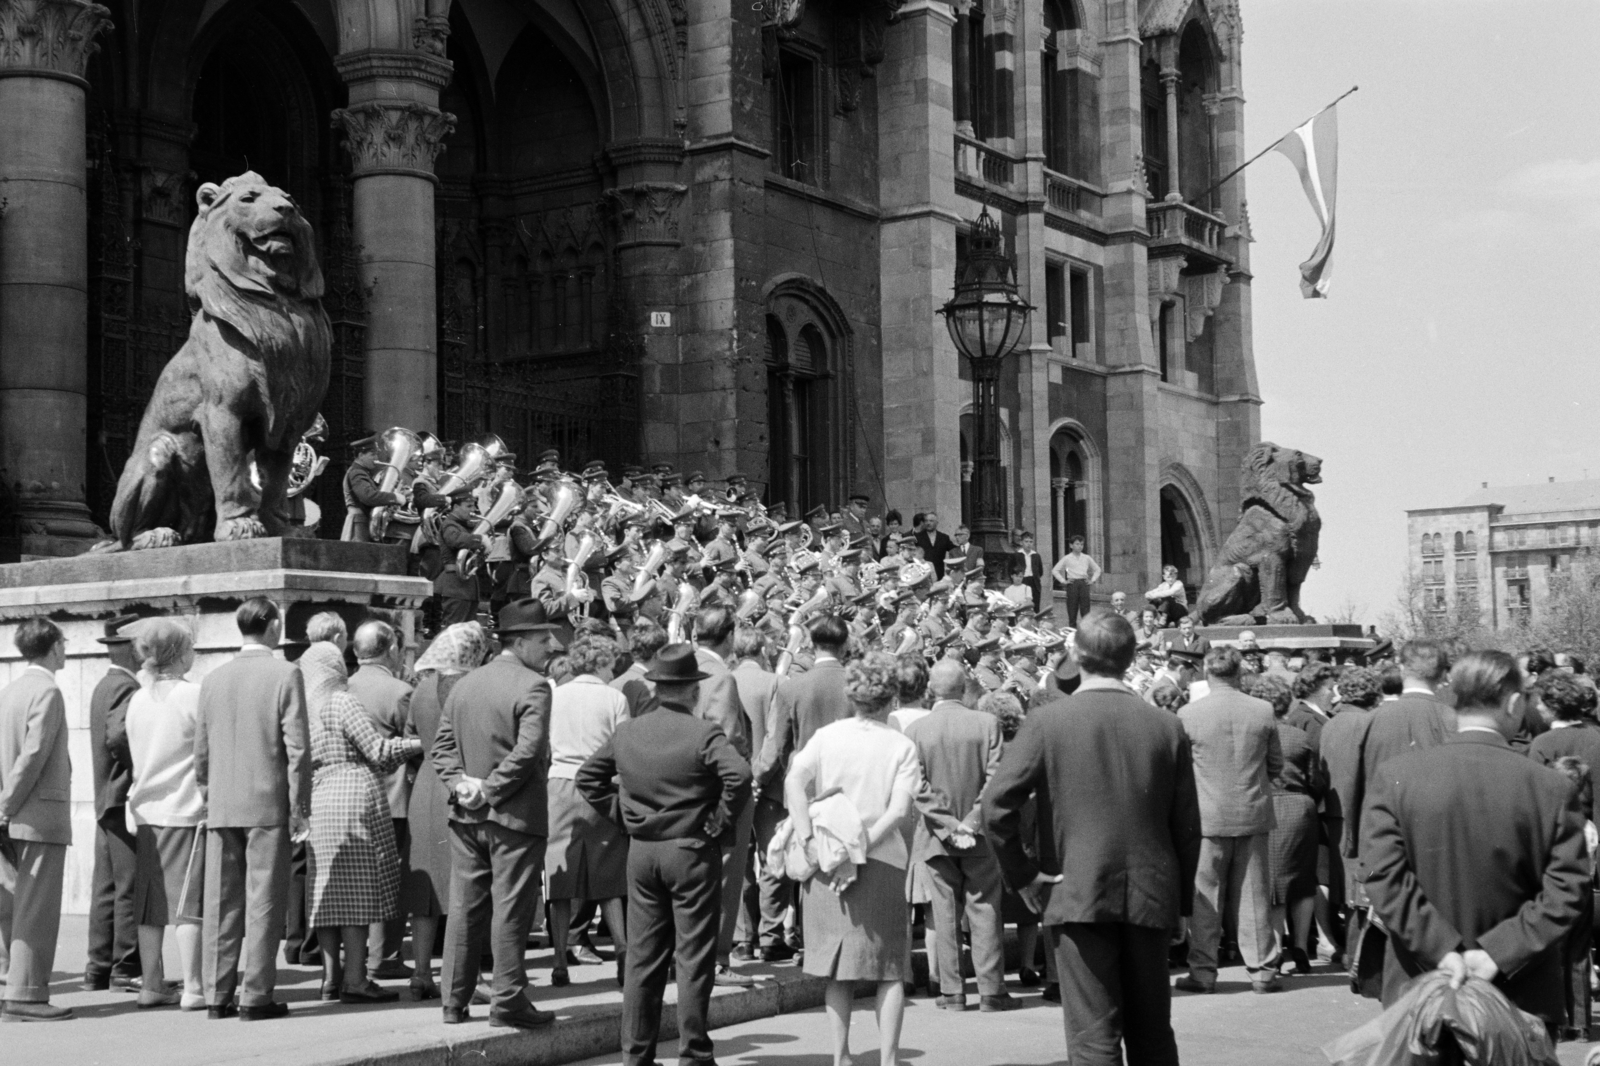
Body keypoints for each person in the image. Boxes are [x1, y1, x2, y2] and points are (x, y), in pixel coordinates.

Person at [984, 610, 1201, 1066]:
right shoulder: (1166, 726)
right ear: (1130, 658)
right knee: (1153, 1034)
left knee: (1093, 1040)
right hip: (1151, 892)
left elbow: (996, 805)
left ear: (1076, 655)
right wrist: (1182, 903)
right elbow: (1186, 825)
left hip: (1074, 888)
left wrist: (1024, 876)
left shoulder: (1047, 721)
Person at [1362, 650, 1590, 1035]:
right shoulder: (1550, 787)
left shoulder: (1395, 776)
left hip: (1419, 986)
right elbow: (1567, 890)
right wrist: (1497, 953)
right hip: (1520, 993)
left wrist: (1442, 949)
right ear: (1515, 703)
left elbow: (1382, 876)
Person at [575, 643, 751, 1066]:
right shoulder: (702, 732)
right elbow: (740, 774)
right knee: (693, 956)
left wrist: (624, 815)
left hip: (643, 850)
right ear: (692, 690)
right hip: (690, 849)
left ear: (657, 687)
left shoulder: (629, 731)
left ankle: (636, 1054)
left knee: (643, 957)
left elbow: (588, 777)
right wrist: (720, 818)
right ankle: (694, 1051)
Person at [432, 598, 563, 1029]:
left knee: (465, 906)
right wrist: (489, 789)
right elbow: (528, 752)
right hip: (514, 815)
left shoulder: (464, 684)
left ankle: (453, 1000)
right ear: (520, 641)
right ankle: (507, 998)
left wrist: (462, 786)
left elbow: (443, 749)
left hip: (467, 816)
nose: (552, 644)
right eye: (543, 637)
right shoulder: (534, 685)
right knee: (511, 908)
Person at [786, 651, 921, 1066]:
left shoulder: (828, 736)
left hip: (827, 857)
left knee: (837, 967)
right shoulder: (901, 745)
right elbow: (898, 811)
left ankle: (841, 1055)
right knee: (890, 967)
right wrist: (859, 851)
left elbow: (795, 780)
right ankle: (888, 1058)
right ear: (891, 698)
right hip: (883, 860)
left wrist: (808, 838)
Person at [194, 597, 311, 1021]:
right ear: (274, 626)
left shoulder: (214, 678)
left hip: (223, 801)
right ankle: (256, 994)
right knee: (263, 901)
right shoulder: (285, 673)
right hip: (266, 802)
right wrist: (300, 806)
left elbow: (201, 750)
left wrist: (209, 794)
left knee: (221, 902)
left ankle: (216, 993)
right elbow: (297, 748)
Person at [302, 640, 421, 1004]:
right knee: (354, 894)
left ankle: (330, 978)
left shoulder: (305, 708)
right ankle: (356, 979)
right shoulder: (343, 701)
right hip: (352, 793)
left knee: (325, 894)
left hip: (318, 799)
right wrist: (418, 743)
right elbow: (379, 752)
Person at [905, 660, 1014, 1012]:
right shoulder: (987, 724)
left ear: (932, 689)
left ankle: (952, 991)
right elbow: (997, 779)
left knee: (945, 914)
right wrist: (971, 820)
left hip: (936, 837)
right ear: (964, 686)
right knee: (984, 910)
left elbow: (917, 787)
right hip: (980, 837)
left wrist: (949, 824)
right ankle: (992, 990)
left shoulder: (918, 730)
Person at [1175, 646, 1283, 994]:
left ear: (1207, 673)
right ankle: (1263, 970)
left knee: (1206, 898)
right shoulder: (1263, 710)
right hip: (1253, 813)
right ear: (1239, 673)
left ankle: (1204, 971)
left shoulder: (1189, 714)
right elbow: (1277, 765)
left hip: (1207, 818)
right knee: (1254, 898)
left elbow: (1179, 772)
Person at [401, 622, 491, 1001]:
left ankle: (421, 972)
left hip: (424, 783)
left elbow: (410, 737)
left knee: (426, 890)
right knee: (463, 883)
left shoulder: (421, 688)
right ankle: (469, 976)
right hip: (459, 780)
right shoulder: (469, 686)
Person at [124, 618, 208, 1011]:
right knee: (187, 904)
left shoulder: (138, 698)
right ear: (179, 654)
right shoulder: (192, 696)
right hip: (184, 807)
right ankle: (193, 985)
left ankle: (151, 983)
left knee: (150, 906)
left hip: (145, 810)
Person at [0, 617, 75, 1021]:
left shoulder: (10, 690)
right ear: (54, 647)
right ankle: (27, 995)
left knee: (12, 903)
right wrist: (8, 803)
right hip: (37, 813)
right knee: (37, 908)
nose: (66, 649)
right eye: (63, 642)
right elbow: (34, 755)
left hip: (13, 813)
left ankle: (12, 983)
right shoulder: (47, 691)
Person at [545, 635, 631, 988]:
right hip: (602, 786)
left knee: (560, 875)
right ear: (599, 663)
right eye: (610, 662)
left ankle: (559, 958)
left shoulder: (554, 696)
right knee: (609, 876)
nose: (613, 669)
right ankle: (624, 950)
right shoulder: (614, 698)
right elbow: (623, 748)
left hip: (560, 785)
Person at [346, 620, 417, 983]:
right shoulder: (400, 691)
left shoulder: (340, 687)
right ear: (391, 649)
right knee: (391, 881)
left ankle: (360, 959)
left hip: (347, 797)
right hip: (391, 797)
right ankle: (385, 956)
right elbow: (414, 742)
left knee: (357, 880)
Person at [1248, 672, 1325, 976]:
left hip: (1270, 805)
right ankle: (1302, 949)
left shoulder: (1256, 735)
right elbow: (1315, 780)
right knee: (1303, 881)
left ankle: (1277, 948)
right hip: (1301, 808)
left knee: (1275, 885)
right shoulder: (1301, 736)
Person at [84, 614, 144, 993]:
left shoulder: (105, 684)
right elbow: (118, 736)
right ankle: (126, 966)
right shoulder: (125, 687)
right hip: (120, 795)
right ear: (131, 648)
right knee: (129, 885)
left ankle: (98, 967)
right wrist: (141, 763)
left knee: (106, 885)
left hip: (106, 796)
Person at [1352, 640, 1454, 856]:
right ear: (1442, 674)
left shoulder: (1370, 720)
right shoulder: (1452, 719)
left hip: (1383, 839)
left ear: (1401, 669)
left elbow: (1355, 785)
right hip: (1439, 842)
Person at [729, 627, 791, 961]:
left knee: (740, 863)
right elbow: (776, 737)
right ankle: (771, 935)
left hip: (734, 782)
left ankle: (742, 937)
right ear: (761, 650)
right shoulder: (775, 682)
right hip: (769, 785)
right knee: (773, 860)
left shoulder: (725, 680)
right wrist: (760, 774)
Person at [755, 615, 852, 796]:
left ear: (813, 645)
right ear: (845, 645)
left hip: (803, 789)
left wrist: (759, 777)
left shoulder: (791, 687)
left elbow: (779, 745)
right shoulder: (859, 686)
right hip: (851, 788)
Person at [1527, 671, 1600, 824]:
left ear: (1552, 707)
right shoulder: (1595, 736)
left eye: (1540, 702)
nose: (1538, 707)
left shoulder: (1543, 743)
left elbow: (1537, 796)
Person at [1049, 535, 1101, 626]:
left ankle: (1086, 630)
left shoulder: (1087, 558)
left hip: (1084, 584)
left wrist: (1092, 580)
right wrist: (1063, 581)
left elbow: (1098, 569)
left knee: (1085, 609)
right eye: (1077, 544)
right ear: (1071, 545)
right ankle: (1072, 630)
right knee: (1072, 609)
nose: (1080, 546)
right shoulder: (1067, 558)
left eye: (1082, 544)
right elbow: (1055, 570)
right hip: (1072, 584)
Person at [914, 513, 955, 582]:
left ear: (937, 523)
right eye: (926, 521)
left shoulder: (944, 538)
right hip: (924, 574)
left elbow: (954, 550)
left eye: (931, 521)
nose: (928, 523)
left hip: (940, 574)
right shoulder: (917, 537)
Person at [1012, 532, 1045, 611]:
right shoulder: (1017, 555)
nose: (1028, 544)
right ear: (1021, 542)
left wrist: (1035, 577)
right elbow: (1011, 569)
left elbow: (1040, 571)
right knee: (1021, 605)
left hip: (1034, 582)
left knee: (1034, 605)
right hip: (1022, 581)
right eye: (1026, 541)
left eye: (1031, 542)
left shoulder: (1036, 556)